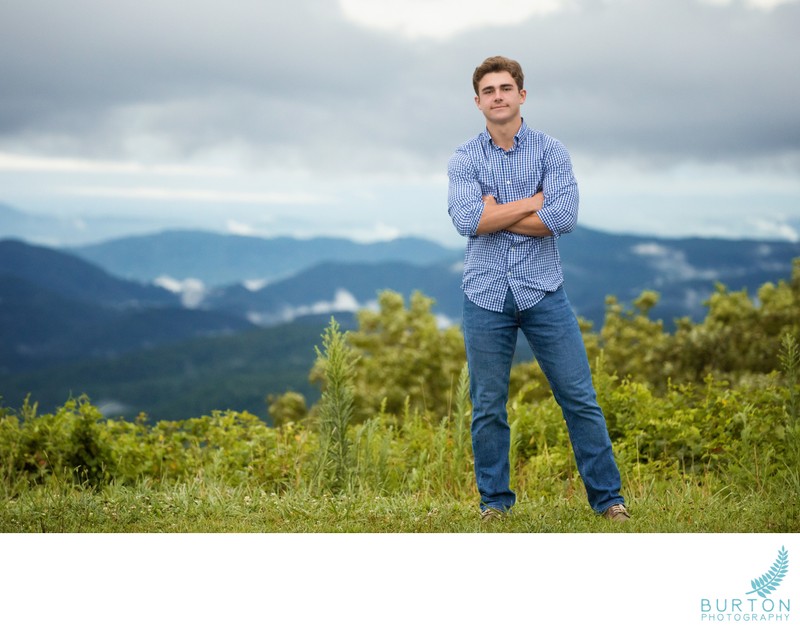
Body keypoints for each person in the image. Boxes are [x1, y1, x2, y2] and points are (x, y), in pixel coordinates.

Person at [447, 55, 629, 523]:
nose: (498, 97)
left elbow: (563, 219)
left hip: (544, 292)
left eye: (506, 88)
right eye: (489, 91)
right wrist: (532, 204)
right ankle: (495, 505)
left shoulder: (552, 151)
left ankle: (609, 501)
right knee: (487, 406)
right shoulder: (465, 157)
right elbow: (469, 220)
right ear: (477, 102)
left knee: (579, 398)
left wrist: (497, 215)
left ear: (522, 95)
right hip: (485, 295)